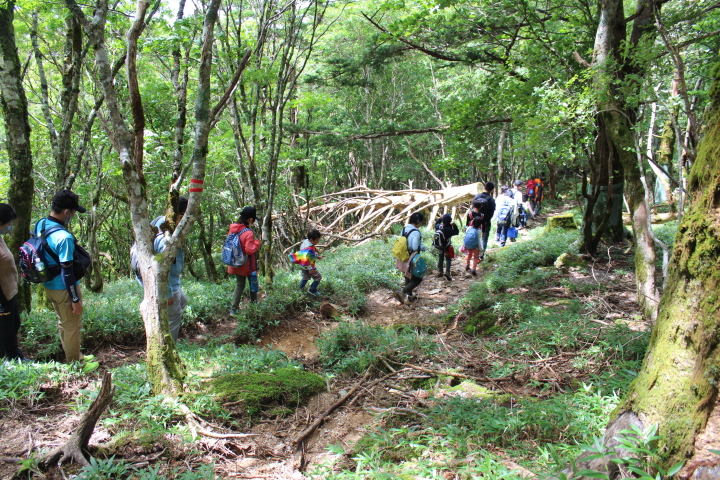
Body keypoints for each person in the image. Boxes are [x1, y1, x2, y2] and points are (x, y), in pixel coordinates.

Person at [34, 190, 87, 363]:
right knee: (72, 325)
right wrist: (75, 298)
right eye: (73, 212)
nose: (73, 215)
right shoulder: (64, 237)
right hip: (64, 288)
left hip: (49, 285)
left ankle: (75, 355)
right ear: (66, 212)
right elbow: (67, 272)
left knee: (63, 322)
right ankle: (75, 363)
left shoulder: (41, 224)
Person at [147, 196, 189, 343]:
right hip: (166, 285)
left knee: (183, 301)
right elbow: (161, 269)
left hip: (168, 282)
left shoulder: (161, 222)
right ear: (180, 217)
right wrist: (168, 293)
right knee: (174, 315)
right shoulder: (167, 239)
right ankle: (170, 346)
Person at [0, 203, 27, 361]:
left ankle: (14, 356)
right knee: (3, 329)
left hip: (9, 291)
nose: (10, 226)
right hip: (2, 293)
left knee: (13, 324)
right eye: (9, 223)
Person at [228, 206, 262, 316]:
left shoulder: (233, 229)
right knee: (253, 283)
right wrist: (257, 243)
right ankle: (254, 306)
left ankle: (233, 309)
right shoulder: (248, 232)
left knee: (239, 285)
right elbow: (249, 250)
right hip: (248, 264)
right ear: (250, 219)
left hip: (235, 263)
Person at [394, 212, 426, 304]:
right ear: (418, 221)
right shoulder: (416, 232)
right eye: (421, 222)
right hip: (411, 257)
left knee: (407, 276)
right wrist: (423, 247)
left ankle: (409, 296)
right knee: (418, 279)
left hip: (403, 255)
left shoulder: (404, 229)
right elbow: (415, 247)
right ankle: (403, 292)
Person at [472, 182, 496, 262]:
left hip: (475, 221)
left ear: (484, 187)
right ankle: (480, 256)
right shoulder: (491, 200)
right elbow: (491, 213)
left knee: (474, 236)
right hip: (486, 222)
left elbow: (473, 209)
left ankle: (472, 254)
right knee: (484, 239)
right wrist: (486, 220)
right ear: (492, 190)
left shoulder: (477, 196)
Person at [297, 229, 323, 297]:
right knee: (318, 277)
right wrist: (310, 269)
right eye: (317, 240)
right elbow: (306, 259)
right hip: (308, 266)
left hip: (302, 265)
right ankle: (312, 290)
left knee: (305, 277)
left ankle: (299, 290)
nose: (318, 241)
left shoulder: (306, 241)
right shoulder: (309, 248)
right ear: (311, 240)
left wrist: (317, 256)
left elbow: (309, 255)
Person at [434, 213, 459, 281]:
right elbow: (456, 232)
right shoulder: (449, 229)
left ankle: (440, 271)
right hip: (447, 246)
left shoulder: (439, 226)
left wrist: (439, 219)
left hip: (439, 246)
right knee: (448, 259)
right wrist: (454, 225)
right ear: (450, 220)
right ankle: (447, 272)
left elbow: (436, 224)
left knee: (440, 258)